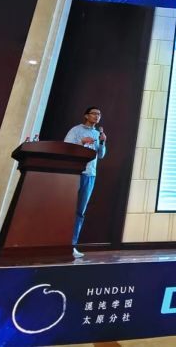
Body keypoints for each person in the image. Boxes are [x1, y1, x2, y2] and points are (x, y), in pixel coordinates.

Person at [65, 106, 107, 257]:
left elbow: (101, 155)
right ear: (86, 115)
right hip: (75, 173)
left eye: (99, 114)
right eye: (94, 113)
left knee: (80, 212)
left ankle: (72, 245)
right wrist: (81, 142)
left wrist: (102, 142)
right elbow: (66, 147)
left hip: (90, 174)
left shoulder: (97, 133)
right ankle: (58, 243)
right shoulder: (76, 130)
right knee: (66, 209)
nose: (97, 116)